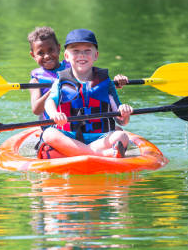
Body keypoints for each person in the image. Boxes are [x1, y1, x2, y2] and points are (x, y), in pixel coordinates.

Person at [40, 28, 133, 159]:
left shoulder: (106, 82)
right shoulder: (60, 81)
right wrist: (54, 114)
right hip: (69, 136)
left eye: (87, 51)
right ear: (66, 56)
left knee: (121, 135)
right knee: (49, 133)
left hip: (101, 137)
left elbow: (122, 121)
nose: (81, 55)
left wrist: (125, 113)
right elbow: (49, 102)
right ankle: (102, 154)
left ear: (96, 55)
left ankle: (70, 153)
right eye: (75, 51)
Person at [27, 26, 69, 120]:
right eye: (40, 53)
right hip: (51, 124)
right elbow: (36, 110)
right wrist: (54, 89)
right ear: (33, 55)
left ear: (58, 48)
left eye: (51, 50)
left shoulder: (72, 68)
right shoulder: (35, 80)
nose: (47, 56)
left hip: (73, 121)